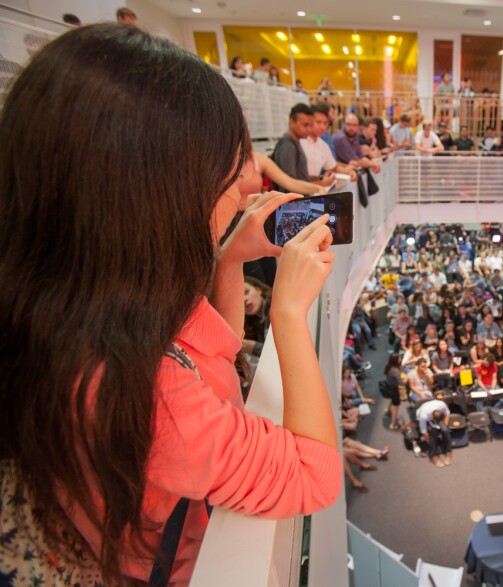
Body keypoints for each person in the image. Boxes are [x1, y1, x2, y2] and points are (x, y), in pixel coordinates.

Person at [0, 25, 341, 585]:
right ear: (152, 195)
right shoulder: (132, 389)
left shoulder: (78, 301)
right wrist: (287, 313)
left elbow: (209, 360)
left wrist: (228, 261)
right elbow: (314, 475)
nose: (242, 191)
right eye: (226, 174)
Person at [272, 103, 332, 188]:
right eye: (305, 125)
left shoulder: (296, 142)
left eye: (310, 125)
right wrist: (321, 184)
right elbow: (290, 185)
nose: (309, 129)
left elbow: (301, 178)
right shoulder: (288, 146)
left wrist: (320, 178)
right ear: (292, 122)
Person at [416, 399, 452, 467]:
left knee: (445, 430)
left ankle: (448, 451)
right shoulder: (423, 416)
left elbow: (447, 414)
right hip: (426, 419)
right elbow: (424, 433)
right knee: (433, 433)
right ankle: (433, 455)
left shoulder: (442, 405)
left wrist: (444, 427)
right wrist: (430, 443)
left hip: (436, 416)